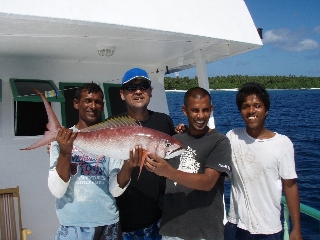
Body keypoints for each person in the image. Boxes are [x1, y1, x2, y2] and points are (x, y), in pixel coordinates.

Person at [144, 87, 232, 240]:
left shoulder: (220, 141)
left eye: (205, 110)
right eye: (194, 110)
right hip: (171, 229)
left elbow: (208, 182)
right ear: (184, 110)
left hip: (205, 232)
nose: (200, 116)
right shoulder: (176, 139)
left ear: (211, 109)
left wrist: (168, 172)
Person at [48, 83, 132, 239]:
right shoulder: (61, 141)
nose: (92, 106)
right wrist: (65, 153)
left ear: (102, 105)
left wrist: (129, 165)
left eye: (97, 102)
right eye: (87, 101)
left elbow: (115, 190)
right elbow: (57, 191)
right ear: (76, 104)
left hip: (108, 223)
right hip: (73, 225)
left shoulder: (112, 139)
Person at [224, 82, 302, 240]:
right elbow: (209, 141)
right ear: (240, 111)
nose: (251, 110)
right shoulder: (232, 136)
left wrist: (296, 228)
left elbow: (290, 185)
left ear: (266, 110)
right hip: (235, 225)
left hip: (268, 228)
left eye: (257, 105)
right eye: (246, 106)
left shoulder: (282, 144)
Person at [108, 68, 176, 239]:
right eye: (131, 87)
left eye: (143, 86)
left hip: (163, 217)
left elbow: (176, 153)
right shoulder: (112, 125)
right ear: (122, 94)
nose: (138, 91)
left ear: (150, 92)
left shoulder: (164, 121)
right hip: (128, 221)